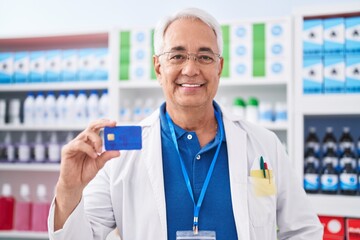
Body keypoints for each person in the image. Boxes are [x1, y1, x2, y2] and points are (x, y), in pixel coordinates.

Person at [48, 7, 323, 240]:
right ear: (158, 68)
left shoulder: (264, 143)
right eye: (177, 56)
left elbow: (304, 230)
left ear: (219, 67)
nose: (191, 69)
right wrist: (68, 189)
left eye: (204, 56)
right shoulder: (123, 152)